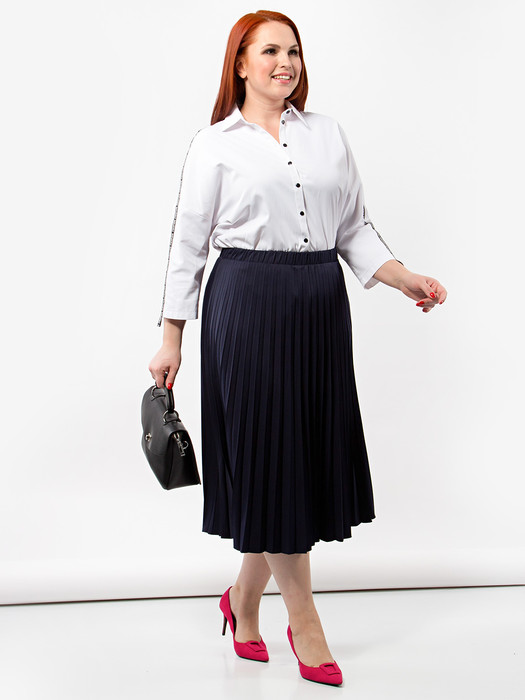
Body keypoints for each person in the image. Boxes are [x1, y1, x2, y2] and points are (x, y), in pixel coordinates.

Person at [148, 9, 447, 687]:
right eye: (270, 51)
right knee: (271, 457)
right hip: (246, 304)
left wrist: (404, 279)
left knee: (294, 464)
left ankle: (242, 601)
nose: (285, 62)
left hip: (318, 303)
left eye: (294, 51)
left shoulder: (327, 134)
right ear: (240, 63)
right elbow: (187, 245)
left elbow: (354, 228)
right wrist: (171, 337)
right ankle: (305, 620)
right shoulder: (213, 144)